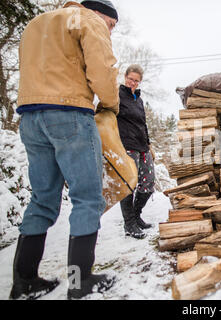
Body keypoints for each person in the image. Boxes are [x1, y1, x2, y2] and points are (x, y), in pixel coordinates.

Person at [10, 0, 119, 300]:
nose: (110, 31)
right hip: (69, 114)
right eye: (111, 25)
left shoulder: (37, 23)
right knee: (87, 198)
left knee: (42, 200)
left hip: (31, 117)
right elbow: (102, 70)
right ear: (101, 13)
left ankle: (24, 282)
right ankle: (79, 281)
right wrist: (110, 106)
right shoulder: (88, 20)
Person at [117, 64, 156, 239]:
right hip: (126, 146)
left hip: (142, 147)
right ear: (125, 77)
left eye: (136, 81)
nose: (132, 82)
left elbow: (143, 125)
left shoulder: (138, 100)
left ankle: (136, 215)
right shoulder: (116, 96)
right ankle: (129, 224)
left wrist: (149, 145)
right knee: (128, 185)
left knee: (148, 183)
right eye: (130, 79)